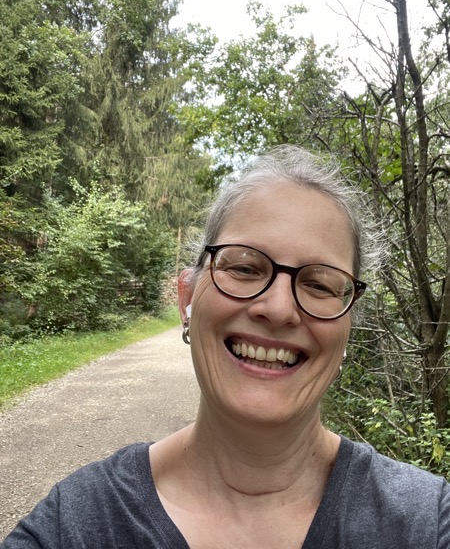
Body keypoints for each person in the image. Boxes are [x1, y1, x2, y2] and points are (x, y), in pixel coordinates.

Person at [2, 145, 450, 548]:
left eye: (318, 283)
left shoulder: (426, 523)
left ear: (347, 326)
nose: (277, 309)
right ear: (187, 300)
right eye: (244, 268)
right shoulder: (77, 525)